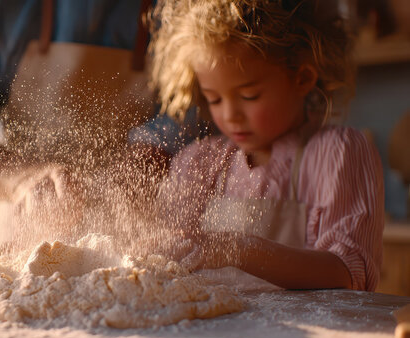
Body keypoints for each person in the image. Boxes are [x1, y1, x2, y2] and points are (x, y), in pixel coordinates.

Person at [149, 0, 383, 291]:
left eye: (249, 96)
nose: (230, 115)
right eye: (215, 99)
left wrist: (238, 249)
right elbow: (166, 259)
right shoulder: (199, 162)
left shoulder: (337, 154)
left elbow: (349, 274)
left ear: (302, 78)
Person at [0, 0, 201, 210]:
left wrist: (149, 154)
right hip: (25, 243)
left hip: (149, 243)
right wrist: (22, 179)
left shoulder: (184, 6)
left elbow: (201, 103)